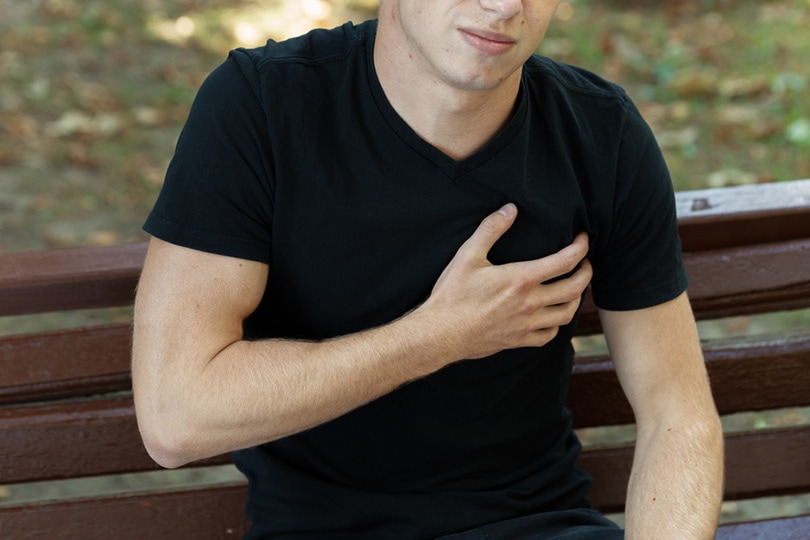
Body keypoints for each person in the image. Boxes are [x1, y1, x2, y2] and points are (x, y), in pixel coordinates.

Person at [132, 1, 724, 538]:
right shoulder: (263, 104)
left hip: (538, 524)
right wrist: (438, 336)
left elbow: (677, 412)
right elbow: (175, 416)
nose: (504, 6)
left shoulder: (600, 133)